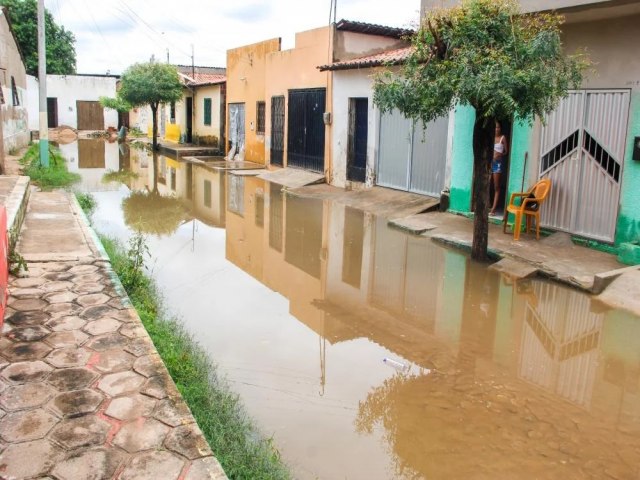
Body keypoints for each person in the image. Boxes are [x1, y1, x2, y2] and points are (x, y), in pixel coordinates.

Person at [490, 121, 508, 216]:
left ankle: (493, 209)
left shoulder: (503, 138)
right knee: (488, 185)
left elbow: (506, 152)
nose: (497, 129)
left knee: (496, 187)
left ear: (500, 128)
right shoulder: (491, 138)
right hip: (489, 163)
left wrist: (500, 154)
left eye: (498, 127)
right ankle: (488, 205)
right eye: (495, 127)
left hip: (498, 164)